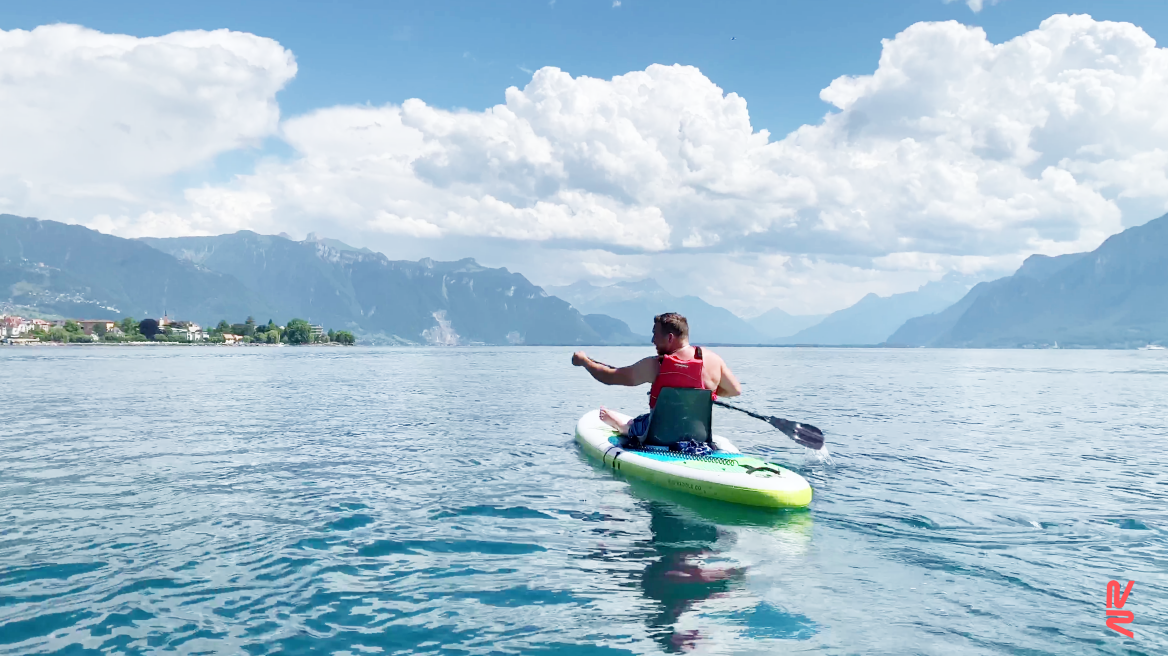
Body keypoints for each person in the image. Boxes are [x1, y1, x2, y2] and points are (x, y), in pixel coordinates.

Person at [571, 312, 741, 445]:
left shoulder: (656, 365)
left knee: (638, 424)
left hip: (657, 437)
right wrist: (698, 393)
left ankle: (623, 426)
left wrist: (585, 362)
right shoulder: (714, 360)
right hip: (698, 436)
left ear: (670, 338)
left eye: (655, 334)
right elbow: (735, 390)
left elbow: (610, 377)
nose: (652, 340)